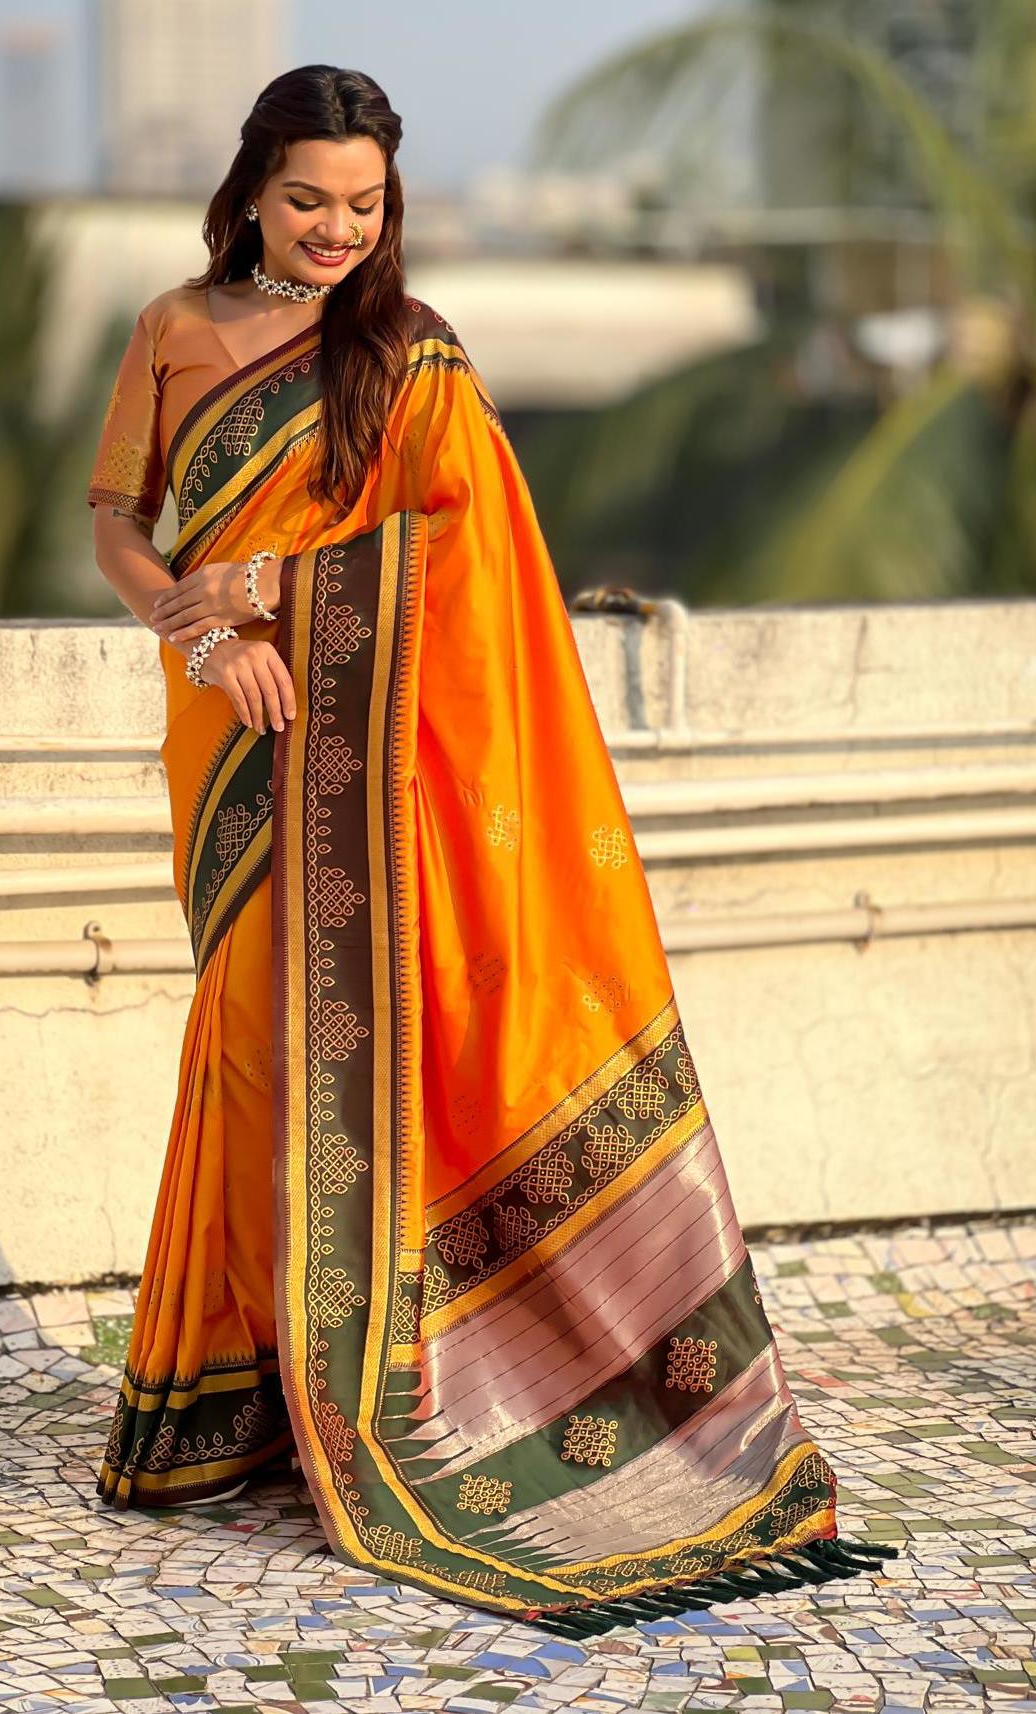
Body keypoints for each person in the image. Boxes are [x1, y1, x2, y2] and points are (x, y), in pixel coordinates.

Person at [85, 63, 897, 1636]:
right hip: (225, 730)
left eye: (364, 203)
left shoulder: (412, 353)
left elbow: (472, 550)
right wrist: (197, 629)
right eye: (307, 199)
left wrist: (276, 598)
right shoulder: (173, 327)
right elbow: (120, 520)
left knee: (341, 1056)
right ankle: (233, 1396)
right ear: (252, 188)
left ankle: (364, 1389)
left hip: (362, 736)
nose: (335, 230)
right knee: (248, 1047)